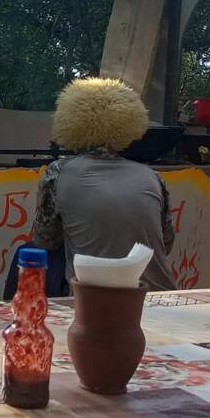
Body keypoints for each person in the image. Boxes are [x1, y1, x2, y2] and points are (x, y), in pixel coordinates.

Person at [32, 77, 176, 292]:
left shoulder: (57, 172)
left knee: (29, 254)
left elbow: (45, 240)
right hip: (160, 295)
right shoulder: (151, 176)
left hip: (97, 301)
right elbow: (166, 243)